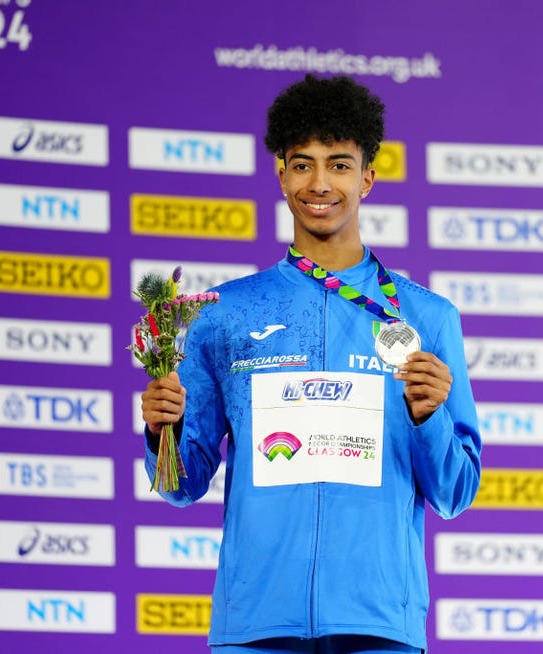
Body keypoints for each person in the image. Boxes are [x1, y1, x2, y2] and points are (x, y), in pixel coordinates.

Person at [140, 74, 481, 654]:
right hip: (256, 628)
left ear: (368, 178)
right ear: (280, 173)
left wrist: (430, 419)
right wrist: (161, 429)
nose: (320, 183)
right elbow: (181, 486)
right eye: (303, 164)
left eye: (340, 164)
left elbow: (455, 491)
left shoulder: (427, 316)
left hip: (379, 627)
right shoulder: (224, 315)